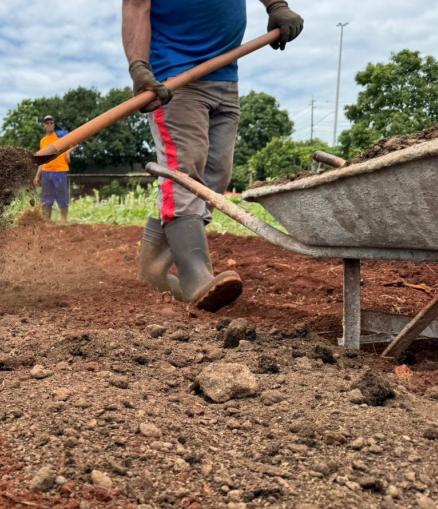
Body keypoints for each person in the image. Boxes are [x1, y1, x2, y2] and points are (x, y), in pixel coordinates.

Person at [122, 0, 303, 311]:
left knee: (216, 176)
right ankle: (195, 276)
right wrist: (139, 66)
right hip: (176, 80)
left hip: (225, 76)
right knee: (184, 173)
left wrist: (276, 5)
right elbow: (137, 6)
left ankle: (154, 264)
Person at [33, 115, 71, 222]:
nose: (49, 124)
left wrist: (68, 152)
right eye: (47, 123)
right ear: (43, 126)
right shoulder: (43, 141)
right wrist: (37, 176)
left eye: (51, 123)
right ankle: (47, 221)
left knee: (62, 197)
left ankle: (64, 221)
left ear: (54, 125)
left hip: (60, 171)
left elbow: (74, 142)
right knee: (46, 199)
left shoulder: (61, 136)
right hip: (46, 172)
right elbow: (41, 160)